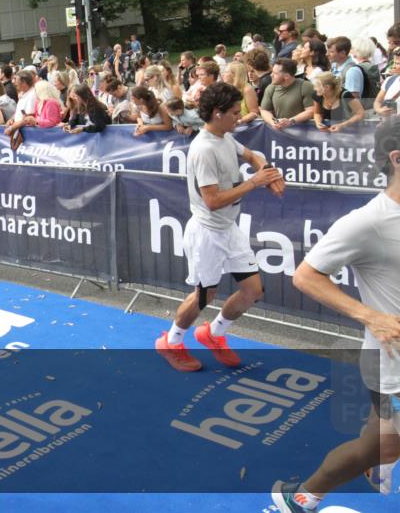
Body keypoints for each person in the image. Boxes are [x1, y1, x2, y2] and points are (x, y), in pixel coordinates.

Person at [270, 116, 400, 512]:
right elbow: (306, 276)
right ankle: (299, 498)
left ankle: (303, 495)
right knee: (377, 447)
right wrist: (370, 316)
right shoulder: (368, 222)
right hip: (392, 366)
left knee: (377, 447)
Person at [155, 82, 285, 372]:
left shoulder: (225, 137)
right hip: (207, 232)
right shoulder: (203, 149)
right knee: (205, 295)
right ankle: (171, 341)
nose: (239, 117)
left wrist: (268, 172)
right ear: (216, 114)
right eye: (234, 113)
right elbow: (212, 200)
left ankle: (213, 334)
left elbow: (252, 155)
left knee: (253, 290)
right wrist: (254, 183)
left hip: (229, 228)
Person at [260, 59, 316, 130]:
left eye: (275, 73)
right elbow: (264, 110)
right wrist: (273, 122)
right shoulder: (271, 87)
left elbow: (311, 111)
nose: (271, 75)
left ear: (286, 76)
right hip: (279, 132)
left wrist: (291, 121)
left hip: (302, 133)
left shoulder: (305, 86)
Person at [221, 61, 260, 126]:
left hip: (246, 127)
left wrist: (239, 121)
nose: (223, 74)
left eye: (226, 72)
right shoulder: (226, 88)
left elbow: (254, 112)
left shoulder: (247, 89)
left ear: (235, 75)